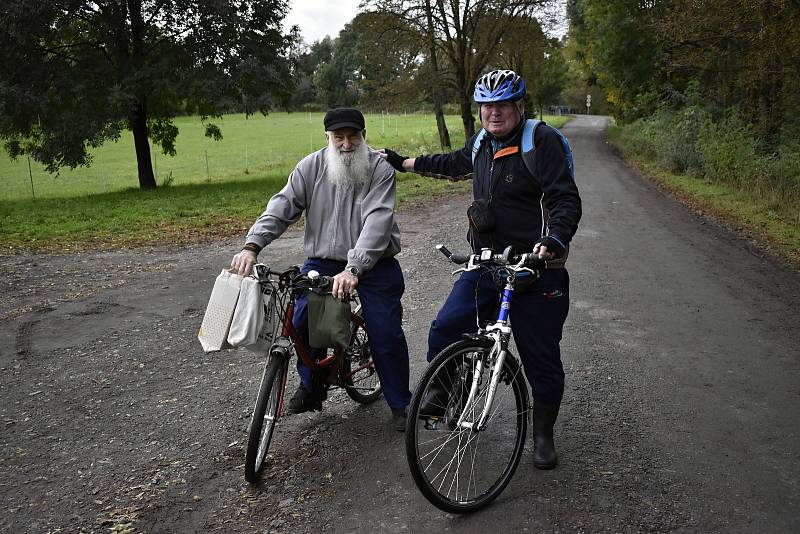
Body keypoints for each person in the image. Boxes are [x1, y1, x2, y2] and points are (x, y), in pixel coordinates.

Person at [382, 69, 581, 467]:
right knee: (445, 326)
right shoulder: (481, 143)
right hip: (489, 263)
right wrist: (406, 162)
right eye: (486, 106)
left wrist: (553, 240)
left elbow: (564, 199)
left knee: (541, 358)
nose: (493, 113)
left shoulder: (540, 141)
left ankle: (543, 434)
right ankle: (443, 392)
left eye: (502, 105)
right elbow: (453, 162)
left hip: (535, 269)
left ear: (519, 106)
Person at [231, 107, 412, 432]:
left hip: (374, 263)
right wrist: (252, 246)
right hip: (324, 260)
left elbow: (377, 222)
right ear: (328, 138)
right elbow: (282, 207)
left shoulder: (379, 169)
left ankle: (401, 404)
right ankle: (313, 386)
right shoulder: (311, 166)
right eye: (338, 137)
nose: (346, 144)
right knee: (301, 322)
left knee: (384, 332)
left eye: (352, 136)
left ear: (363, 136)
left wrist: (354, 268)